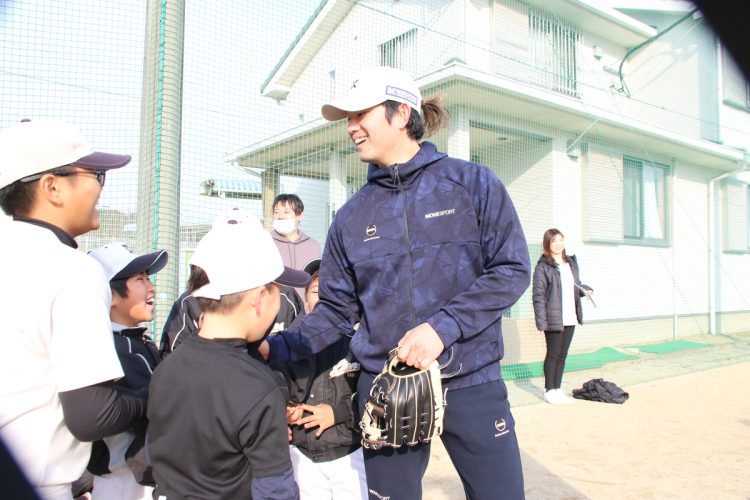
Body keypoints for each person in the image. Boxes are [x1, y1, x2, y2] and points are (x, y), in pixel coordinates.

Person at [264, 66, 530, 500]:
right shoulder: (350, 216)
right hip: (387, 390)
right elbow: (333, 311)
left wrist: (442, 328)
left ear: (401, 113)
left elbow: (511, 268)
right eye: (346, 119)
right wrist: (273, 347)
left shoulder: (471, 184)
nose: (351, 127)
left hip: (471, 379)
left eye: (360, 114)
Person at [0, 119, 146, 499]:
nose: (100, 186)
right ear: (52, 187)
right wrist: (160, 395)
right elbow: (92, 415)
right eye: (95, 174)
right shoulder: (70, 267)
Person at [146, 214, 310, 499]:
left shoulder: (166, 369)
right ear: (259, 298)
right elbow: (275, 491)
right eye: (277, 292)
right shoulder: (257, 387)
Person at [275, 258, 366, 500]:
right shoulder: (289, 341)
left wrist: (338, 413)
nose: (323, 298)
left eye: (331, 290)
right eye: (316, 291)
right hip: (303, 455)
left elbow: (374, 396)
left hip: (350, 453)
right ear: (305, 300)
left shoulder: (360, 342)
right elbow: (278, 384)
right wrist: (285, 408)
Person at [87, 243, 169, 498]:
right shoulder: (117, 347)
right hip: (124, 480)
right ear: (109, 296)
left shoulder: (132, 340)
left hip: (132, 476)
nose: (151, 286)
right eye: (140, 279)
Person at [532, 228, 593, 405]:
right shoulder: (543, 267)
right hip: (553, 317)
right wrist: (541, 321)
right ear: (547, 244)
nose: (558, 244)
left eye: (561, 240)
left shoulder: (571, 263)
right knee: (553, 354)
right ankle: (549, 390)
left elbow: (575, 285)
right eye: (554, 241)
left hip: (570, 315)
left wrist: (585, 290)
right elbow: (539, 295)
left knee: (563, 355)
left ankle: (557, 389)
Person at [271, 193, 322, 304]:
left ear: (299, 215)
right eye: (276, 212)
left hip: (306, 313)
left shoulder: (313, 246)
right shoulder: (266, 243)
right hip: (275, 313)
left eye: (286, 212)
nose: (280, 216)